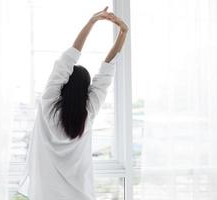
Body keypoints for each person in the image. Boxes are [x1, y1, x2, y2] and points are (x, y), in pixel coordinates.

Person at [18, 6, 128, 200]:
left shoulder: (48, 104)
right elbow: (106, 72)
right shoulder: (88, 112)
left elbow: (67, 60)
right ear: (86, 90)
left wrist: (92, 22)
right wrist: (123, 33)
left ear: (64, 85)